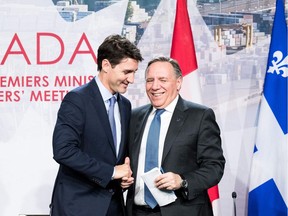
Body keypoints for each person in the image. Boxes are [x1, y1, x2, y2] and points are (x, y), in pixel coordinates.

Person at [50, 34, 143, 216]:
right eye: (126, 72)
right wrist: (111, 172)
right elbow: (63, 150)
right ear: (106, 65)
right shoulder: (77, 99)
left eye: (134, 73)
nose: (131, 79)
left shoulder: (125, 105)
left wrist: (121, 179)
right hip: (78, 207)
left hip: (114, 208)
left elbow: (115, 157)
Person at [125, 57, 225, 216]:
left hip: (184, 211)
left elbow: (214, 166)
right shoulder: (133, 117)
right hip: (137, 212)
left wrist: (182, 181)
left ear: (178, 83)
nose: (155, 86)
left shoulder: (200, 116)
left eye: (163, 80)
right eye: (150, 80)